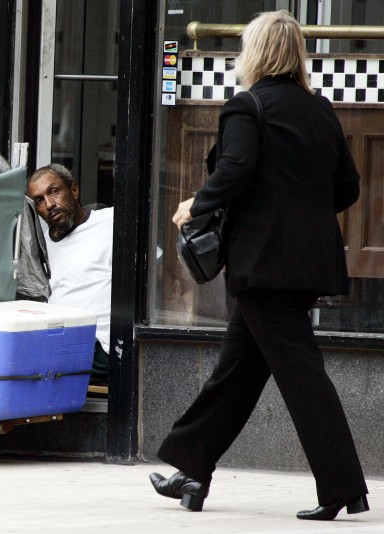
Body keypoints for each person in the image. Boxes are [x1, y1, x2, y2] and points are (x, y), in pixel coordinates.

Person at [149, 11, 368, 520]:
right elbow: (348, 187)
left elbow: (236, 169)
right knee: (237, 372)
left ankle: (343, 488)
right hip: (303, 262)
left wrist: (195, 206)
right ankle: (191, 470)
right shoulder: (319, 109)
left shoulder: (247, 106)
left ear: (257, 53)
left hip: (264, 264)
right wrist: (298, 210)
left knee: (303, 376)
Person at [26, 163, 112, 385]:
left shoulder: (110, 222)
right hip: (59, 339)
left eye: (54, 191)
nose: (49, 204)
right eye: (39, 200)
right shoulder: (40, 243)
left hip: (101, 346)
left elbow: (159, 271)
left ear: (74, 190)